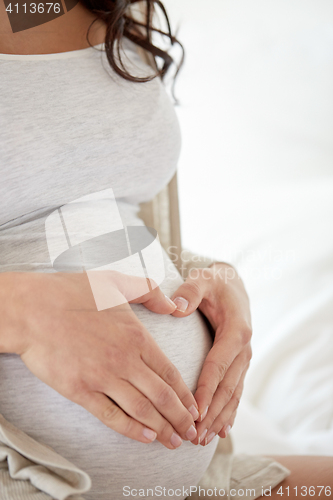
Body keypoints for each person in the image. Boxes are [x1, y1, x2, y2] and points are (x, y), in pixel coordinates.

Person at [0, 1, 331, 499]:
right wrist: (20, 314)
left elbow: (92, 209)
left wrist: (208, 275)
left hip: (188, 478)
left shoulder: (111, 9)